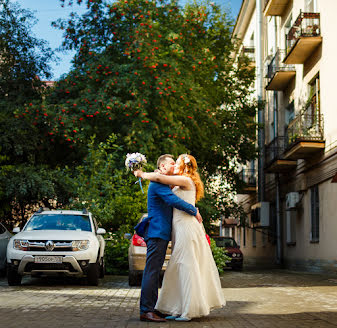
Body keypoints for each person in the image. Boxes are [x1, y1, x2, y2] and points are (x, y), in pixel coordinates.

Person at [134, 154, 225, 321]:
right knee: (153, 271)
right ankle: (147, 310)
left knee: (168, 268)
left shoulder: (176, 181)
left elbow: (168, 186)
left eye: (176, 163)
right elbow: (172, 200)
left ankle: (164, 308)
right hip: (158, 232)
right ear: (162, 167)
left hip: (173, 230)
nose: (174, 165)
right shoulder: (160, 183)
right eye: (171, 163)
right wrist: (194, 210)